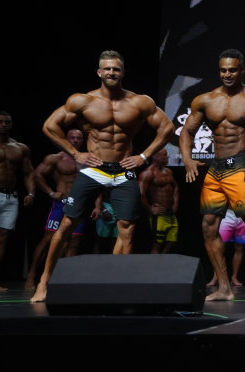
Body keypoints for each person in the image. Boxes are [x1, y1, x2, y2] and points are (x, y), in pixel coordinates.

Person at [31, 51, 174, 303]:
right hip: (93, 169)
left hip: (123, 170)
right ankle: (43, 282)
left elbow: (167, 128)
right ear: (99, 72)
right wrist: (76, 153)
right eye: (107, 69)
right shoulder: (83, 101)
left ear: (123, 73)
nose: (111, 72)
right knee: (67, 224)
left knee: (127, 227)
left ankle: (116, 285)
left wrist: (143, 156)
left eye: (116, 69)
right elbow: (49, 126)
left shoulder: (139, 102)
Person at [179, 49, 245, 301]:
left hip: (240, 167)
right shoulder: (205, 100)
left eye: (232, 70)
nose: (227, 74)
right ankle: (224, 288)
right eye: (224, 70)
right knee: (208, 226)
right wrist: (188, 159)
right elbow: (186, 132)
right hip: (215, 169)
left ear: (241, 70)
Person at [26, 129, 86, 289]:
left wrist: (98, 204)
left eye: (79, 138)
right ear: (66, 139)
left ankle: (66, 278)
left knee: (74, 242)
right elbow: (37, 174)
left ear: (83, 140)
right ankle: (31, 275)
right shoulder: (56, 158)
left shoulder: (87, 160)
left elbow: (96, 181)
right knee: (48, 239)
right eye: (72, 137)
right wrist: (51, 192)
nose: (75, 140)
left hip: (79, 204)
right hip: (61, 203)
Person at [0, 111, 36, 291]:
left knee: (2, 237)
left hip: (10, 198)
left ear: (11, 124)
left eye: (6, 122)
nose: (3, 124)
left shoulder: (20, 148)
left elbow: (29, 172)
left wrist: (31, 193)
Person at [138, 148, 180, 254]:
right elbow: (140, 194)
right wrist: (150, 209)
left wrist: (175, 203)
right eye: (165, 155)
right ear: (155, 156)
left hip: (170, 213)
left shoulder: (168, 171)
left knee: (172, 240)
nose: (168, 157)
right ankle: (154, 263)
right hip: (159, 214)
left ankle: (163, 259)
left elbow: (176, 187)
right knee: (158, 243)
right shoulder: (148, 173)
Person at [207, 209, 245, 288]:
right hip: (226, 219)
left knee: (239, 248)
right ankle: (216, 277)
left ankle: (234, 277)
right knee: (219, 249)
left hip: (241, 220)